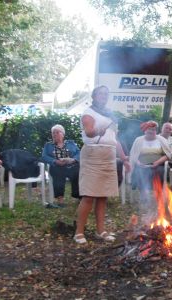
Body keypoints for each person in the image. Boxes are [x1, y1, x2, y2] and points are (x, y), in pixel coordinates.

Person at [74, 85, 130, 245]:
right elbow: (89, 131)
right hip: (93, 155)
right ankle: (78, 232)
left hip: (109, 155)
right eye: (100, 94)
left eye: (106, 94)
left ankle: (101, 230)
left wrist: (124, 158)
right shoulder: (88, 113)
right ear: (94, 96)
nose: (104, 96)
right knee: (89, 195)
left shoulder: (110, 115)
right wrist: (99, 130)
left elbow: (114, 139)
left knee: (103, 196)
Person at [129, 121, 171, 203]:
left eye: (153, 129)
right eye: (149, 129)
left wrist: (158, 162)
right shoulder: (138, 140)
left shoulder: (162, 140)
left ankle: (158, 196)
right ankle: (144, 196)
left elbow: (167, 155)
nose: (151, 131)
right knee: (139, 171)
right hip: (141, 164)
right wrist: (138, 163)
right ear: (145, 130)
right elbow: (133, 154)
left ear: (156, 130)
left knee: (159, 171)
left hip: (158, 164)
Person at [42, 124, 80, 207]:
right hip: (57, 166)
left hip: (71, 165)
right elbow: (44, 156)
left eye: (57, 132)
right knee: (57, 172)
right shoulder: (48, 145)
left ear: (63, 134)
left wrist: (73, 160)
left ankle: (77, 195)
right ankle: (60, 199)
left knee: (78, 171)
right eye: (53, 133)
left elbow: (79, 153)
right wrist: (55, 161)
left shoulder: (71, 143)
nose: (54, 134)